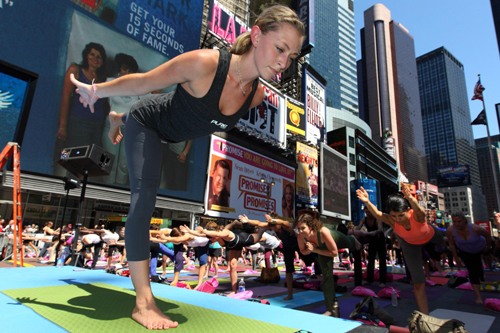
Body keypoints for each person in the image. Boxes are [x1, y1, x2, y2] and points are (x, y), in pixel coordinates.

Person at [69, 4, 304, 329]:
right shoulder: (205, 63)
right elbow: (143, 83)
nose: (283, 62)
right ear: (256, 34)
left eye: (291, 56)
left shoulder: (256, 96)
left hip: (172, 132)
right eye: (280, 48)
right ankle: (143, 302)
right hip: (148, 121)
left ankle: (117, 119)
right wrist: (95, 90)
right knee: (144, 197)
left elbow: (196, 119)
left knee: (156, 130)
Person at [356, 185, 444, 315]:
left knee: (445, 238)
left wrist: (410, 197)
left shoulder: (417, 216)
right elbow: (378, 214)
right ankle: (425, 316)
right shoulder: (392, 220)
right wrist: (367, 202)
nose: (397, 219)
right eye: (394, 216)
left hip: (430, 236)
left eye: (401, 215)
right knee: (418, 282)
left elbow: (420, 210)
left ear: (408, 210)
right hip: (410, 244)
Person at [55, 42, 108, 176]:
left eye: (99, 57)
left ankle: (80, 191)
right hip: (78, 123)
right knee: (74, 160)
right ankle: (68, 191)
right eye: (92, 54)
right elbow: (65, 98)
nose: (95, 58)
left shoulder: (103, 78)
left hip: (97, 126)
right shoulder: (75, 70)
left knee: (90, 162)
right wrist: (62, 126)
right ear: (86, 55)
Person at [295, 213, 360, 316]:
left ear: (311, 226)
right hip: (322, 248)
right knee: (327, 276)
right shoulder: (301, 236)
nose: (300, 231)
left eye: (303, 228)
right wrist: (311, 249)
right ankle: (330, 309)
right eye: (298, 228)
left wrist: (315, 249)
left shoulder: (323, 232)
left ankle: (353, 239)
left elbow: (334, 252)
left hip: (336, 238)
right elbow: (303, 251)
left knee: (349, 242)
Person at [101, 53, 140, 185]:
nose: (126, 73)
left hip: (130, 128)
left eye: (130, 71)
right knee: (107, 161)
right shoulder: (110, 81)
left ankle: (117, 197)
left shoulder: (138, 88)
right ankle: (105, 193)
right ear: (119, 68)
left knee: (124, 164)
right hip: (112, 125)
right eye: (124, 69)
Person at [446, 211, 492, 304]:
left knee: (479, 268)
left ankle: (482, 275)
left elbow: (488, 236)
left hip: (481, 248)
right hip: (465, 251)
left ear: (464, 221)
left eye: (459, 221)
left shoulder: (475, 228)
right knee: (472, 271)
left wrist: (488, 247)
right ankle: (478, 297)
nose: (457, 224)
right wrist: (456, 258)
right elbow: (451, 244)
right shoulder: (450, 230)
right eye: (454, 222)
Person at [356, 207, 387, 287]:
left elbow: (380, 229)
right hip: (372, 240)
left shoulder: (377, 219)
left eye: (369, 212)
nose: (368, 213)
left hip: (380, 240)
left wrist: (375, 232)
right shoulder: (364, 220)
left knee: (382, 260)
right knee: (371, 259)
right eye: (366, 212)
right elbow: (358, 227)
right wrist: (354, 231)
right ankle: (369, 280)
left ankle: (383, 281)